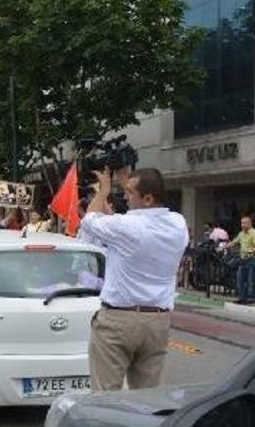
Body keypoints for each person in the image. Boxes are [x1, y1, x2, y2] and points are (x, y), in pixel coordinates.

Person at [79, 168, 188, 392]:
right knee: (148, 399)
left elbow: (89, 221)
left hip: (118, 321)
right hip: (157, 322)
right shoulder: (178, 224)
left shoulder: (128, 227)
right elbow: (120, 228)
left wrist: (103, 192)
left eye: (129, 192)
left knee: (105, 397)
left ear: (147, 199)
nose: (125, 196)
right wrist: (124, 184)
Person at [221, 215, 255, 305]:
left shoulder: (254, 233)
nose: (242, 225)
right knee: (241, 279)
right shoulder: (241, 233)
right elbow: (234, 242)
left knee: (251, 280)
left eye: (245, 223)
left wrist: (250, 252)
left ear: (250, 223)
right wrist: (222, 247)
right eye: (242, 223)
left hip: (251, 259)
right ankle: (242, 297)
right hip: (242, 259)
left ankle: (251, 298)